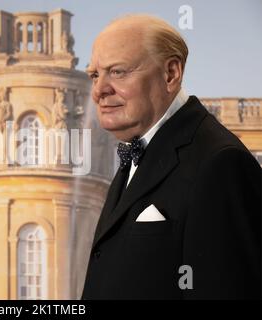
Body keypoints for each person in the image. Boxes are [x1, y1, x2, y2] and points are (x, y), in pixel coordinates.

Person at [82, 14, 261, 299]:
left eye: (118, 72)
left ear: (170, 74)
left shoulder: (221, 164)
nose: (99, 90)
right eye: (94, 75)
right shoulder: (136, 150)